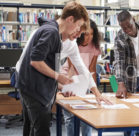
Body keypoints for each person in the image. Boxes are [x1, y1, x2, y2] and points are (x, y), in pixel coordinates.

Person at [15, 2, 89, 136]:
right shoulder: (51, 32)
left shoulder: (52, 31)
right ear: (70, 19)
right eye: (77, 27)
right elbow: (36, 61)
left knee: (34, 127)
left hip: (34, 86)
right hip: (34, 88)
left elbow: (45, 63)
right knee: (41, 129)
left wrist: (60, 85)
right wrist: (60, 77)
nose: (77, 32)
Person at [60, 19, 112, 136]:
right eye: (87, 34)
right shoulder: (73, 44)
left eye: (92, 34)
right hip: (70, 76)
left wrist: (94, 91)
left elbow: (92, 69)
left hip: (85, 78)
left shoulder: (95, 47)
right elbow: (72, 67)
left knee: (87, 115)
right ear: (82, 33)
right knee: (70, 117)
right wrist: (71, 85)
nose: (89, 37)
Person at [113, 10, 139, 136]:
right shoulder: (120, 37)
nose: (127, 30)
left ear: (134, 20)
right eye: (123, 27)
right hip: (128, 80)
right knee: (128, 118)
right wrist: (120, 83)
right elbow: (118, 62)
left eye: (129, 26)